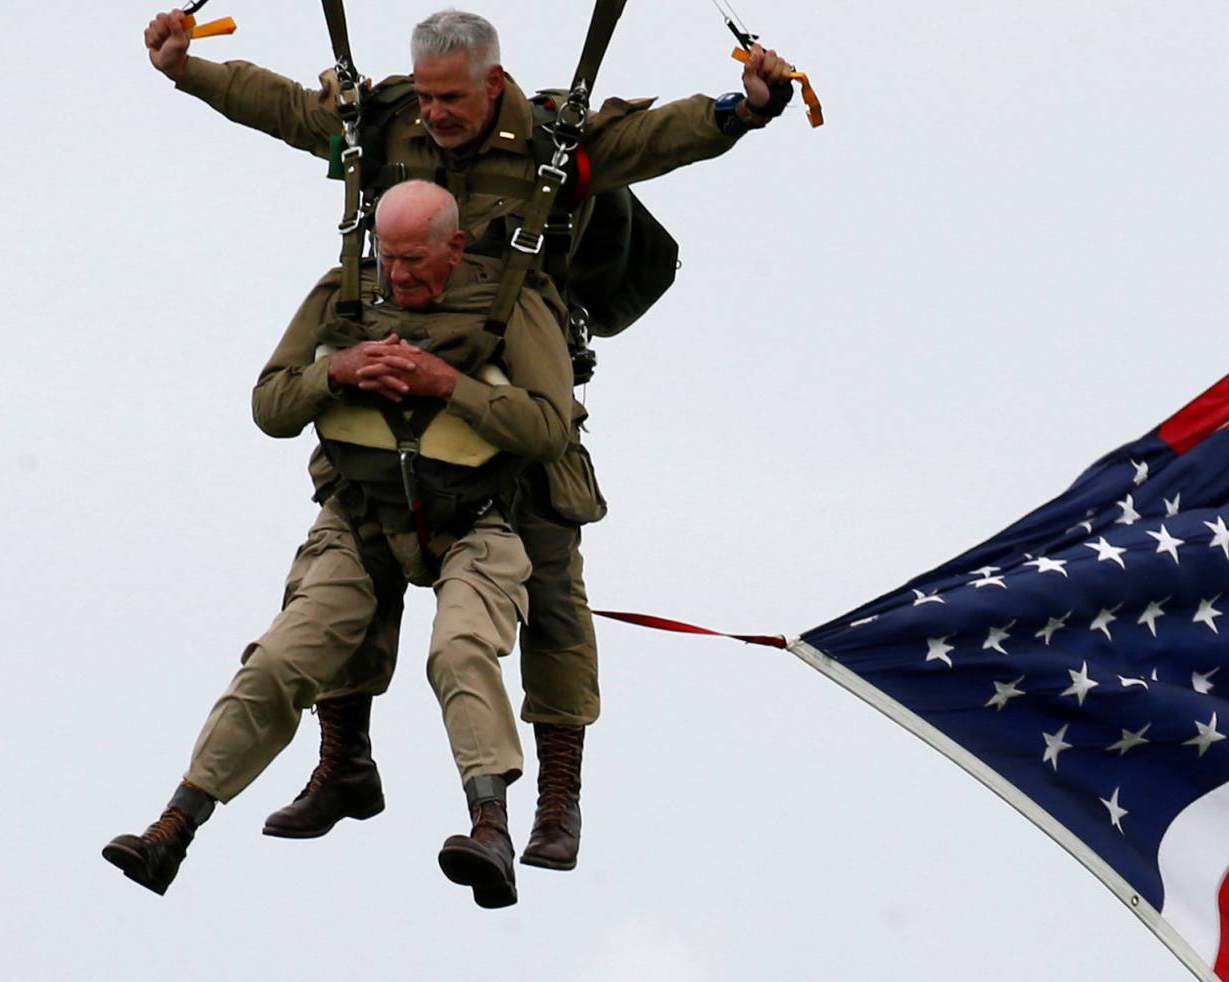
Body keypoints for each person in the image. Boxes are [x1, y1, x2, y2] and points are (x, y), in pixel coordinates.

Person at [140, 7, 799, 869]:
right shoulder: (387, 125)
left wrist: (741, 109)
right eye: (426, 95)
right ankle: (344, 765)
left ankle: (556, 801)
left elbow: (656, 138)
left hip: (517, 380)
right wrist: (187, 71)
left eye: (451, 98)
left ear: (493, 84)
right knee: (353, 547)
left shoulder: (555, 143)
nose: (436, 113)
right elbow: (294, 113)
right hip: (391, 383)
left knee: (553, 593)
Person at [103, 181, 576, 908]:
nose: (400, 277)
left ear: (455, 245)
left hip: (479, 519)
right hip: (360, 517)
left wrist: (448, 383)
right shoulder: (342, 294)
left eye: (416, 260)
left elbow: (548, 430)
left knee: (459, 650)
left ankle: (491, 829)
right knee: (280, 660)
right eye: (389, 259)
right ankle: (174, 828)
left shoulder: (514, 301)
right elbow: (271, 404)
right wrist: (338, 372)